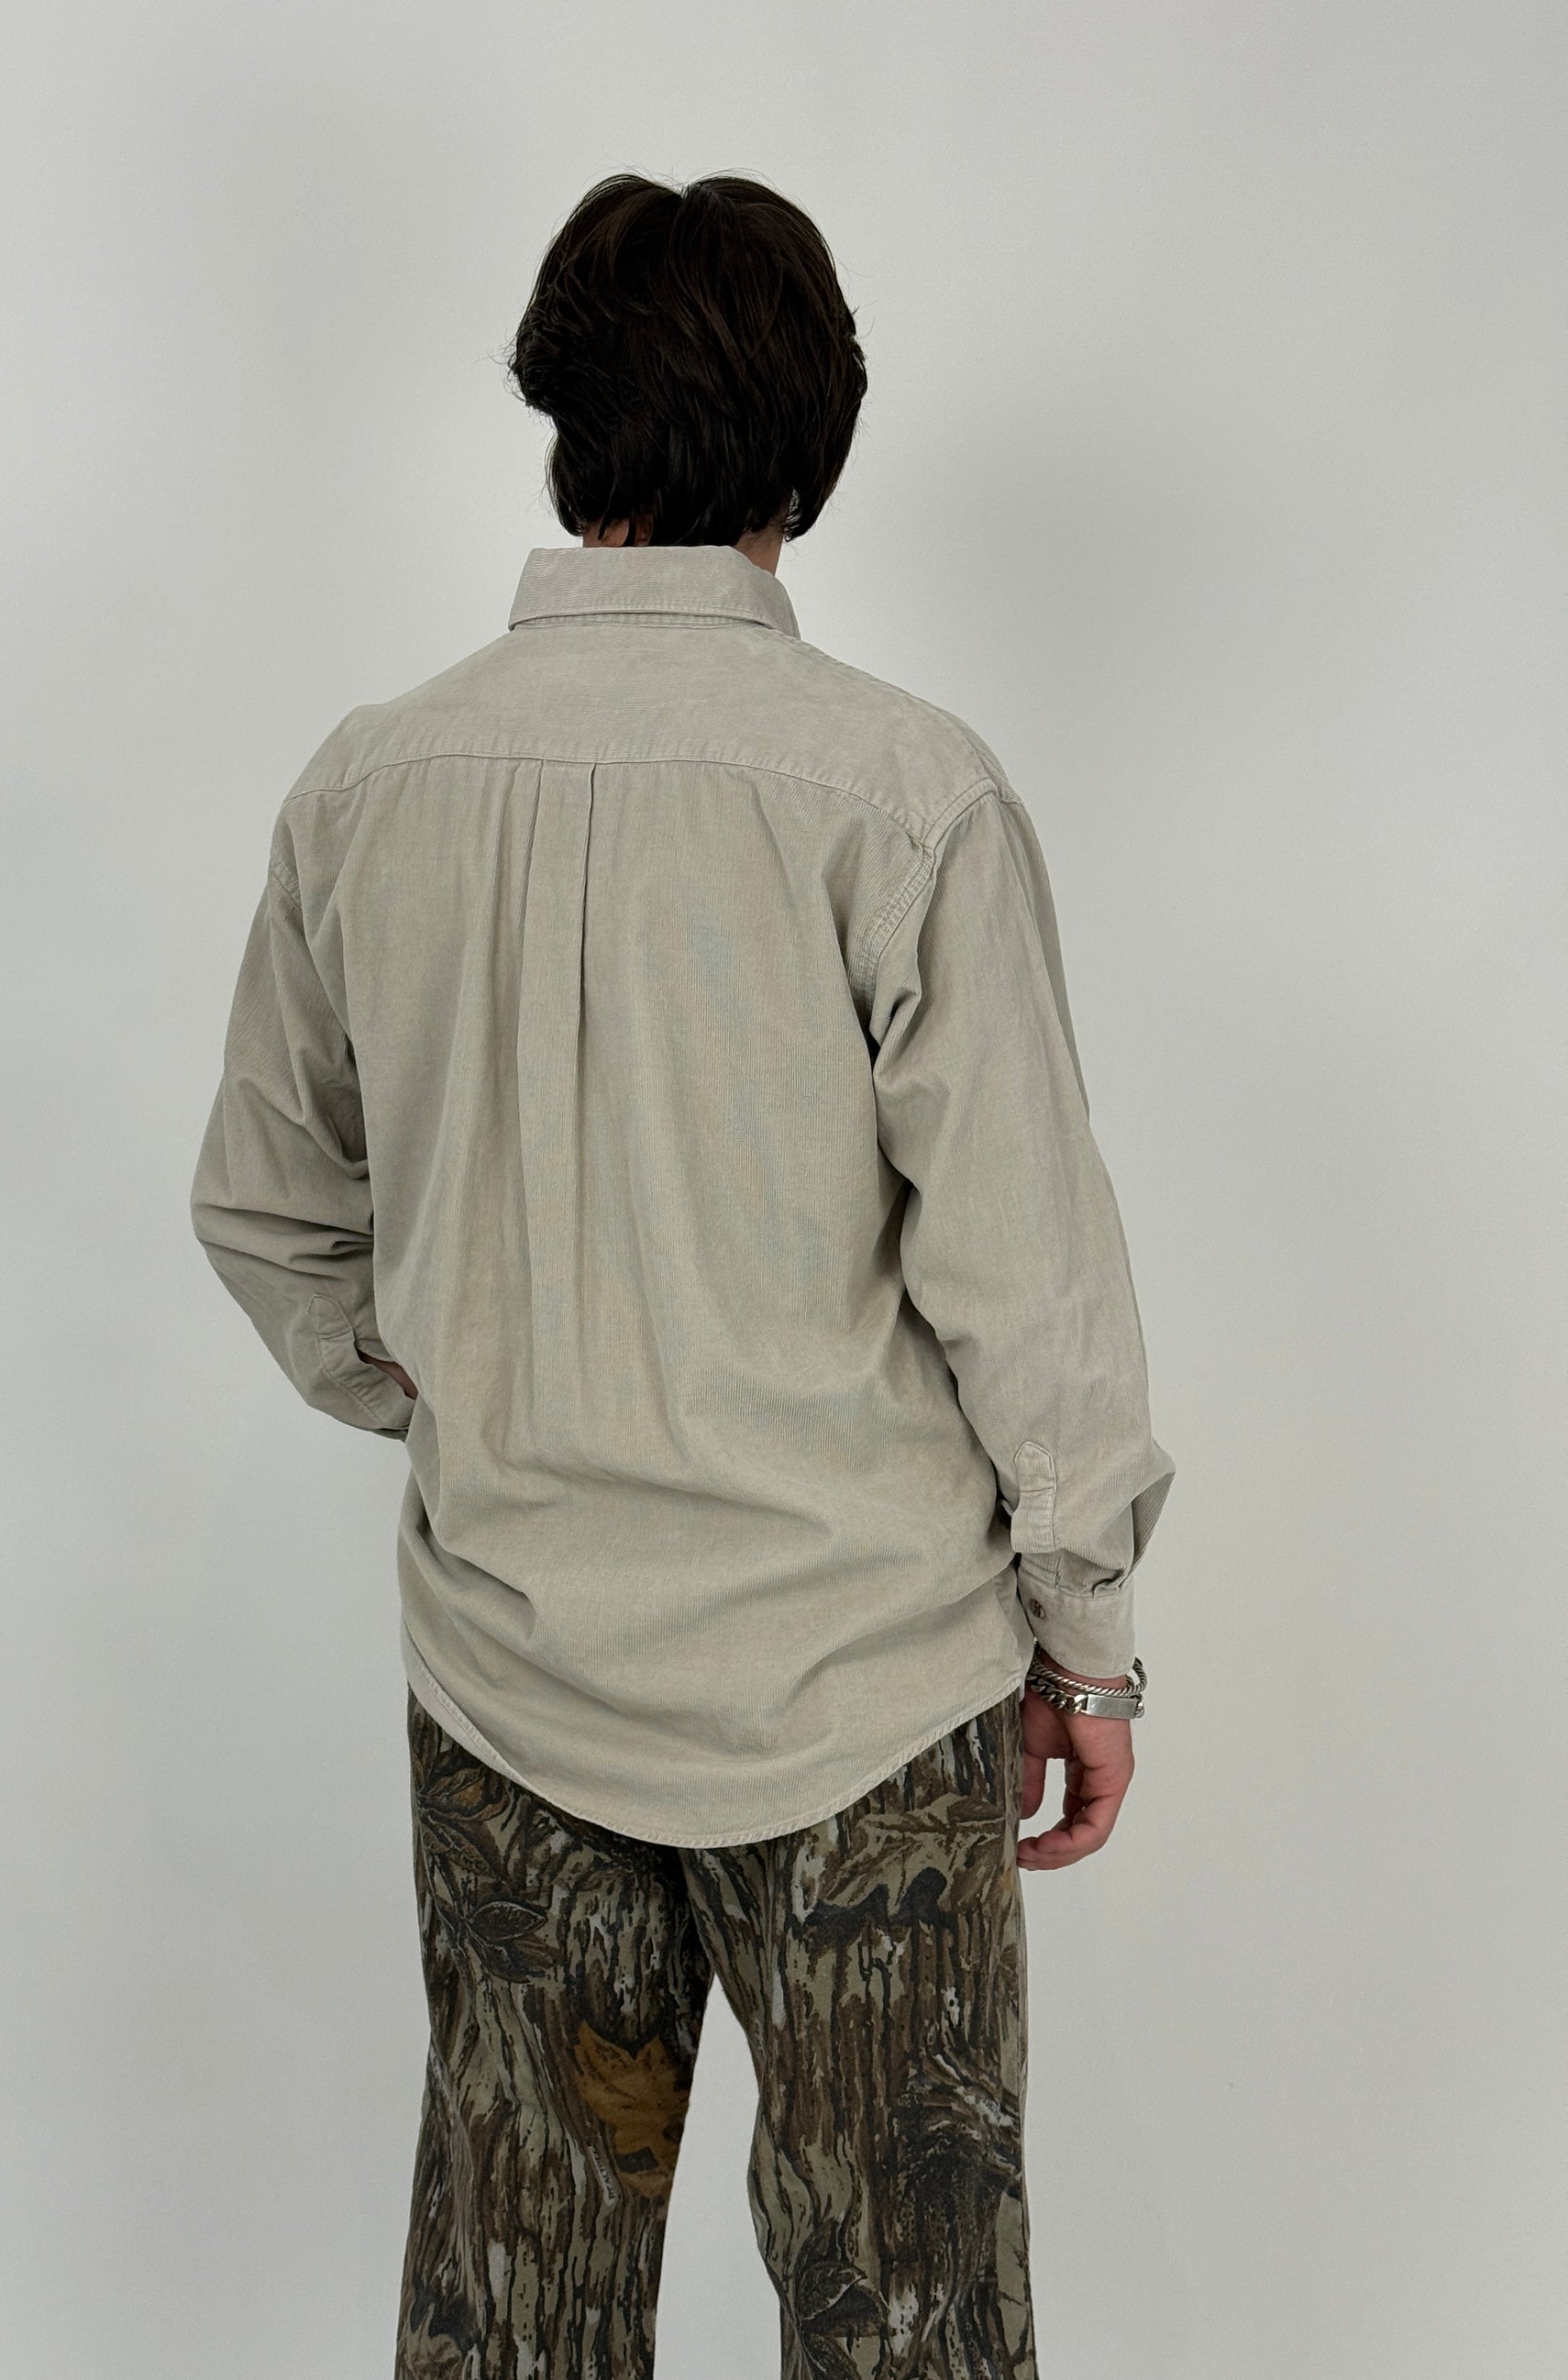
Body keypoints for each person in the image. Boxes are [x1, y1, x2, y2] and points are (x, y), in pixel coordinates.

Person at [191, 170, 1174, 2380]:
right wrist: (1088, 1637)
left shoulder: (372, 783)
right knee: (909, 2329)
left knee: (512, 2324)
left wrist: (464, 1391)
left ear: (564, 421)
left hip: (510, 1669)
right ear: (808, 455)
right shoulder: (900, 792)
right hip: (857, 1691)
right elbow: (1026, 1278)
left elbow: (267, 1206)